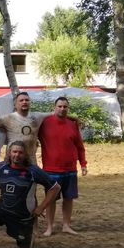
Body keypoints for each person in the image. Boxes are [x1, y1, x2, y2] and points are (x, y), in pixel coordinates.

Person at [0, 141, 60, 248]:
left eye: (20, 152)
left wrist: (41, 208)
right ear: (9, 153)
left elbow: (55, 187)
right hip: (2, 210)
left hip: (22, 217)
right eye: (14, 152)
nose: (17, 155)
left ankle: (29, 238)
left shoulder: (33, 170)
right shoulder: (1, 167)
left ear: (25, 154)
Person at [37, 96, 88, 236]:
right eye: (59, 106)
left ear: (68, 108)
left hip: (70, 169)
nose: (62, 109)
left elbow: (80, 147)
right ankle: (49, 227)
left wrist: (83, 164)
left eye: (65, 107)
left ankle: (66, 225)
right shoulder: (44, 123)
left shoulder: (73, 125)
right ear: (54, 107)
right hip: (50, 170)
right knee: (51, 200)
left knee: (68, 198)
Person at [0, 92, 51, 165]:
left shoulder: (38, 117)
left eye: (27, 100)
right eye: (21, 100)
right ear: (15, 104)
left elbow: (57, 114)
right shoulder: (8, 118)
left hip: (30, 161)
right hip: (12, 161)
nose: (24, 102)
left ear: (30, 103)